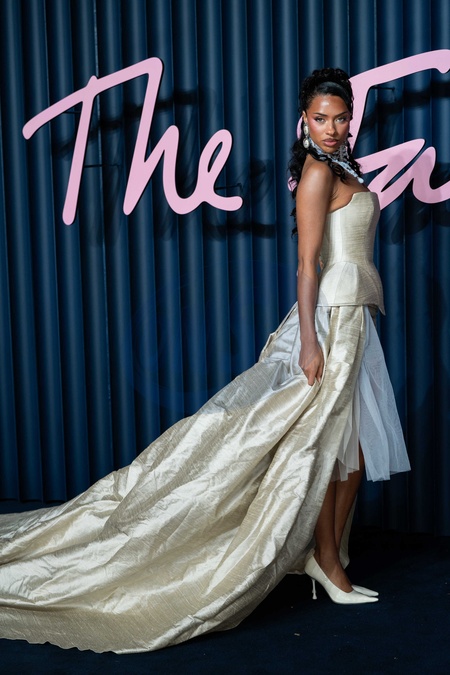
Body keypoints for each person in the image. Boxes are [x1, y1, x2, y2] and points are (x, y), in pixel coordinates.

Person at [0, 68, 410, 654]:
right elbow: (306, 264)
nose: (332, 127)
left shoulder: (344, 167)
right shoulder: (318, 173)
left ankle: (327, 555)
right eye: (321, 118)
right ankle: (326, 561)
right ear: (304, 120)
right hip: (333, 320)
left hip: (357, 318)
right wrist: (310, 342)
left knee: (353, 451)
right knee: (326, 447)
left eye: (340, 117)